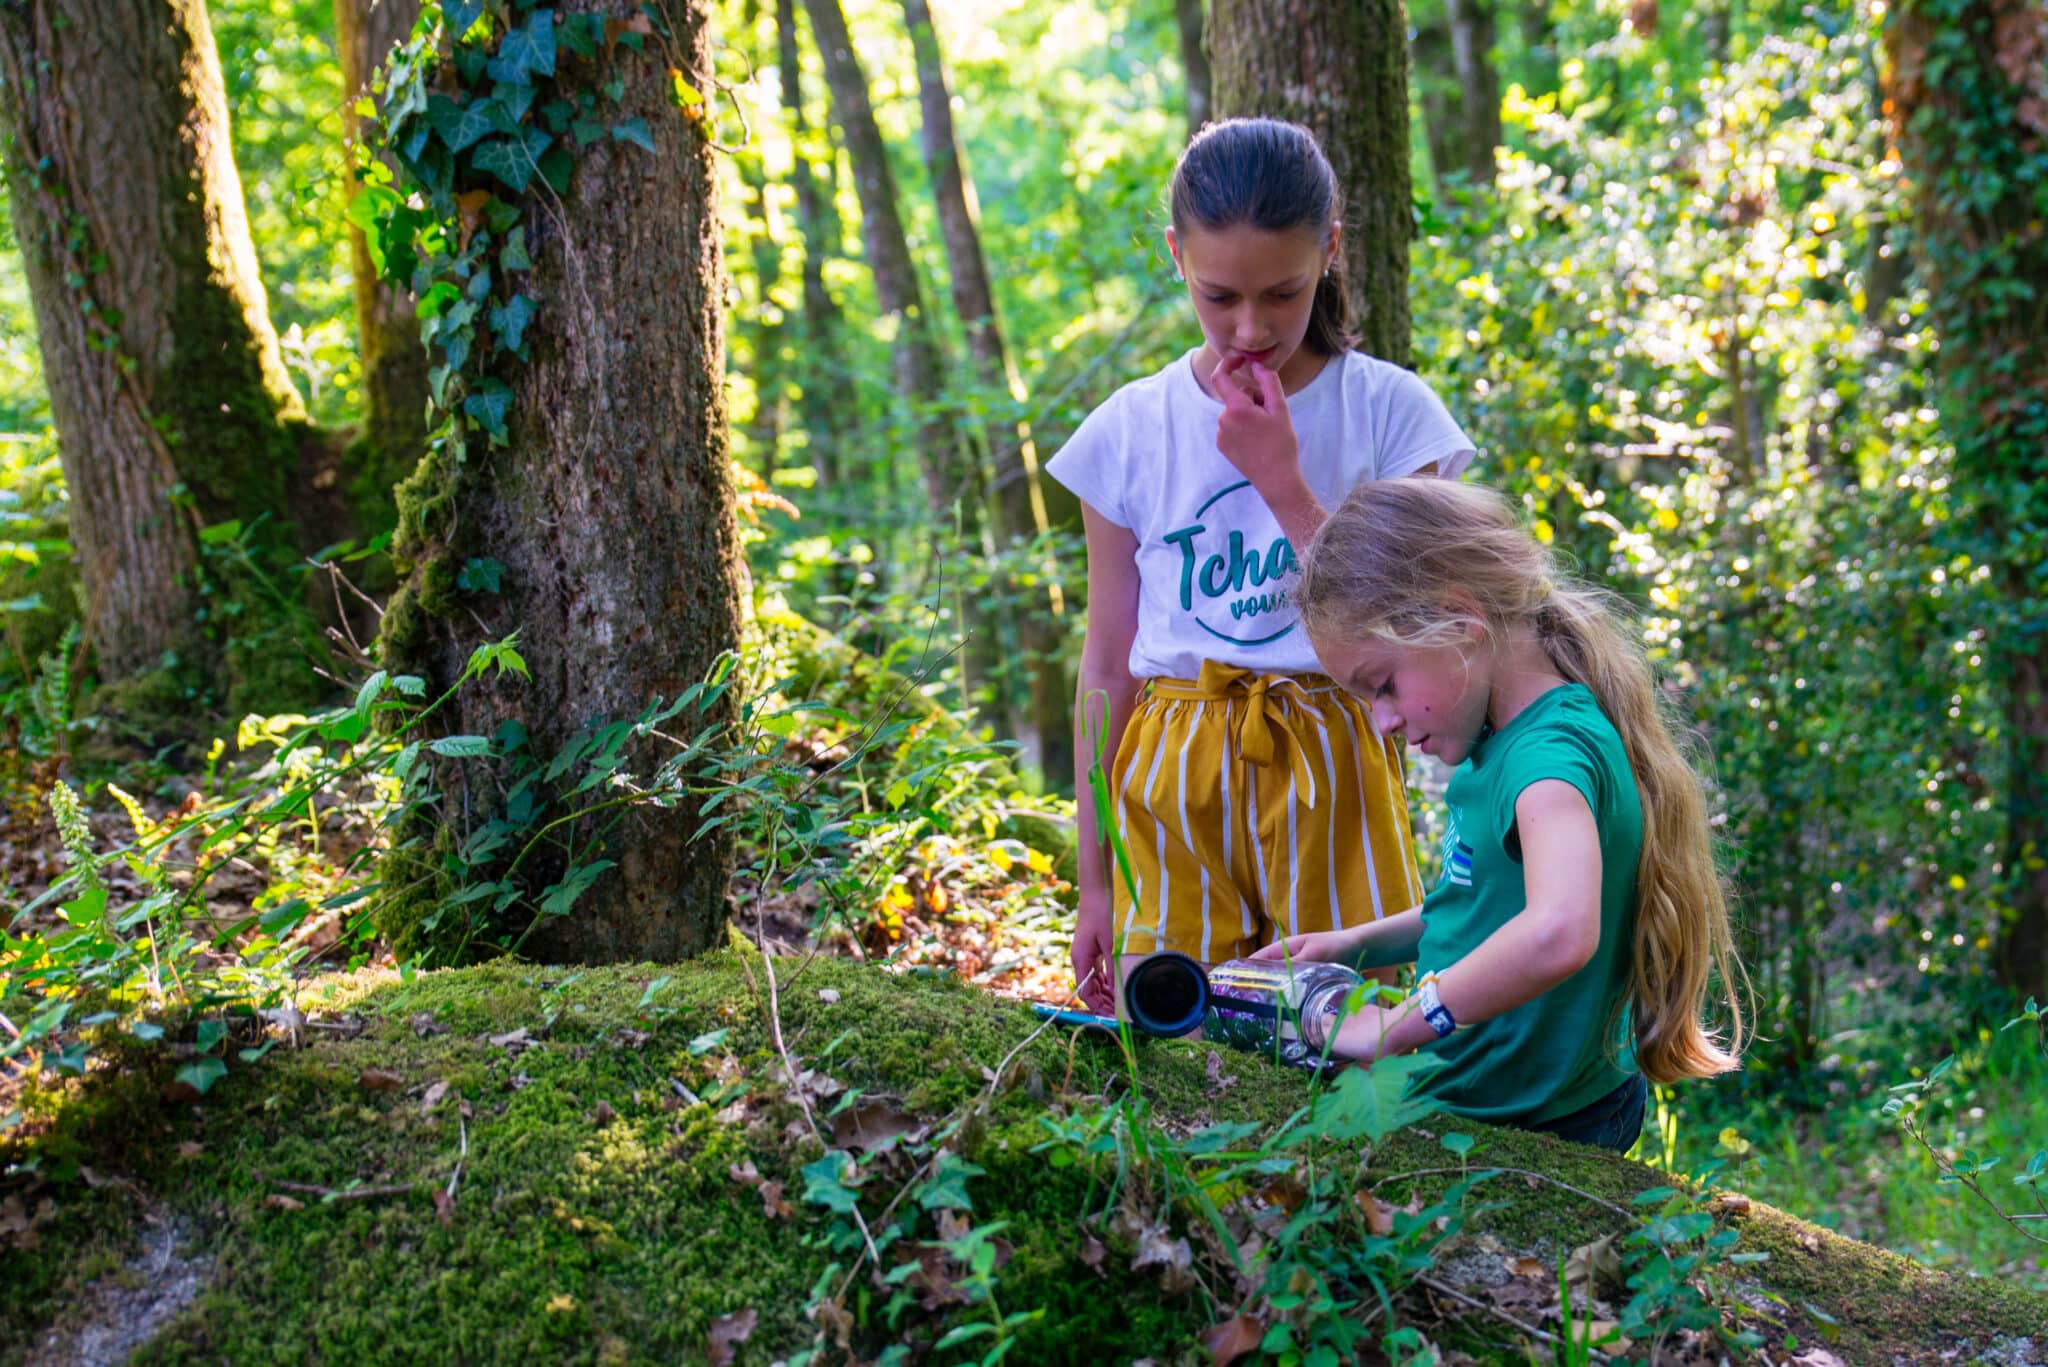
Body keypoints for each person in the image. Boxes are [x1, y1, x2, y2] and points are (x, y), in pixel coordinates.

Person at [1047, 117, 1476, 1014]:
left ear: (1330, 250)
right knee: (1169, 1044)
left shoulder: (1392, 416)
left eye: (1282, 294)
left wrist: (1282, 477)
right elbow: (1106, 665)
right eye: (1219, 296)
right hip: (1171, 767)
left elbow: (1408, 634)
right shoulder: (1127, 432)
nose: (1251, 328)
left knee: (1348, 1043)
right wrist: (1092, 878)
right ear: (1175, 257)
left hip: (1334, 757)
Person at [1255, 478, 1748, 1152]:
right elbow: (1484, 903)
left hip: (1524, 1122)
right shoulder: (1498, 740)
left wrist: (1397, 1025)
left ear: (1459, 621)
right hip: (1473, 1093)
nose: (1384, 721)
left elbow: (1560, 930)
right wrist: (1350, 945)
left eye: (1384, 684)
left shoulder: (1545, 763)